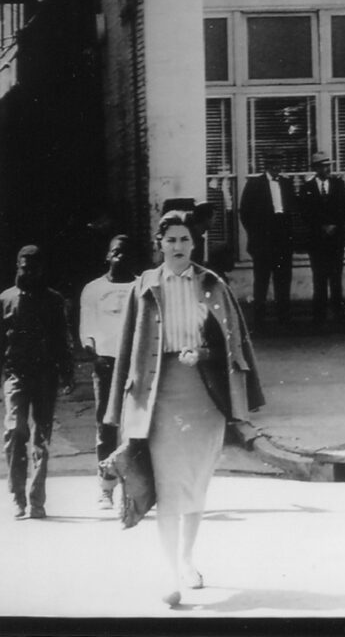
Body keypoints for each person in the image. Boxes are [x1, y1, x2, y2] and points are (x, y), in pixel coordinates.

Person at [105, 210, 263, 608]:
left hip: (204, 398)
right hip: (158, 397)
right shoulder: (144, 285)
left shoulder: (212, 283)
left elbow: (233, 343)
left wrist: (204, 352)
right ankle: (170, 573)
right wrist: (114, 410)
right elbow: (127, 350)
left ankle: (188, 559)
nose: (178, 247)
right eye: (171, 240)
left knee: (193, 486)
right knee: (169, 489)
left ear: (195, 244)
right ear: (160, 244)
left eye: (185, 240)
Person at [1, 245, 74, 519]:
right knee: (14, 433)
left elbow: (61, 338)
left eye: (34, 268)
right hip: (15, 376)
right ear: (17, 267)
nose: (28, 272)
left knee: (41, 438)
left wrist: (67, 370)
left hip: (45, 376)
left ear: (42, 269)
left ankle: (36, 499)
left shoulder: (54, 300)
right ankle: (17, 496)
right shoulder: (5, 300)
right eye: (24, 267)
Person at [79, 233, 138, 510]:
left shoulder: (141, 288)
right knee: (105, 428)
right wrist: (91, 349)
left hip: (134, 367)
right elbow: (86, 329)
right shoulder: (92, 289)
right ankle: (105, 488)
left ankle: (133, 490)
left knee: (135, 429)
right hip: (105, 366)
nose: (120, 257)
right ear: (107, 255)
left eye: (126, 252)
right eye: (116, 252)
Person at [239, 153, 297, 327]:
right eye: (273, 164)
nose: (277, 168)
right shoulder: (254, 184)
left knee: (283, 278)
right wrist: (256, 234)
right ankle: (259, 318)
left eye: (279, 164)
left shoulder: (287, 184)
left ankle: (284, 317)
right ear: (267, 166)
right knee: (262, 279)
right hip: (263, 239)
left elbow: (293, 210)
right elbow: (245, 212)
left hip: (283, 238)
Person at [298, 150, 345, 326]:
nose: (326, 169)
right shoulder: (307, 189)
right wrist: (321, 226)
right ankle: (319, 315)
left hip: (336, 239)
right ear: (315, 168)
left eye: (328, 165)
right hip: (317, 240)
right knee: (319, 278)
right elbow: (305, 214)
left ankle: (339, 313)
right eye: (322, 166)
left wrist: (334, 225)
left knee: (336, 277)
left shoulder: (339, 185)